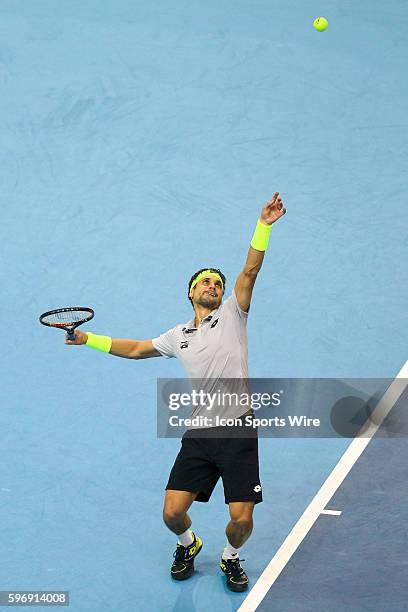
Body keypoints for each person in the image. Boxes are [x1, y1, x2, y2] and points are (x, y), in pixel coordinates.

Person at [65, 192, 286, 592]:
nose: (212, 285)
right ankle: (189, 544)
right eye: (204, 281)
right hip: (199, 434)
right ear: (190, 293)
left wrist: (264, 226)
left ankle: (230, 557)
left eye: (217, 283)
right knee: (171, 514)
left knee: (241, 520)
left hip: (237, 431)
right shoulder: (176, 336)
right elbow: (134, 349)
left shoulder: (234, 314)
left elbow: (249, 272)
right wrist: (87, 339)